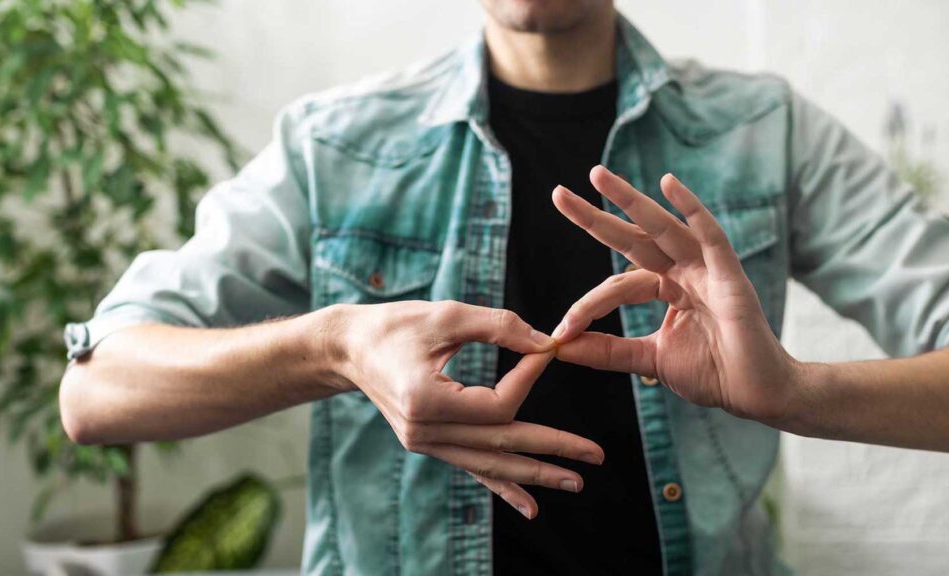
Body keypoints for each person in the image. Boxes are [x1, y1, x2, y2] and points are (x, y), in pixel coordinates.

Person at [59, 1, 949, 574]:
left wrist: (794, 391)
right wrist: (331, 348)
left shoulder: (769, 132)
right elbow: (96, 392)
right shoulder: (333, 147)